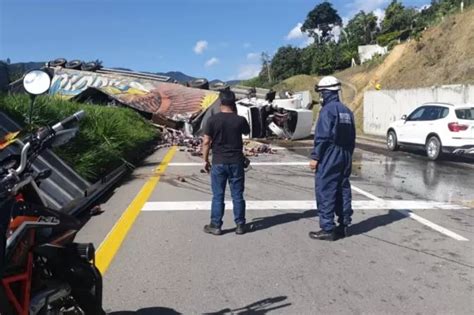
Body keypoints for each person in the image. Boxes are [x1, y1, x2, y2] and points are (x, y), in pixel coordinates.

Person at [309, 76, 356, 241]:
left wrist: (315, 157)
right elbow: (352, 137)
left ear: (325, 93)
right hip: (345, 155)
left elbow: (323, 136)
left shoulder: (327, 111)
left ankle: (327, 228)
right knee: (343, 189)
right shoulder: (347, 111)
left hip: (330, 155)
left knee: (326, 189)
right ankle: (344, 225)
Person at [202, 90, 250, 235]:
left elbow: (206, 142)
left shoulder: (212, 120)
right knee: (237, 195)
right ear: (234, 103)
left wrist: (204, 160)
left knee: (218, 195)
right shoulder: (240, 120)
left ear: (220, 102)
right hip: (236, 162)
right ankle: (240, 225)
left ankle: (216, 225)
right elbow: (247, 132)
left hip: (218, 162)